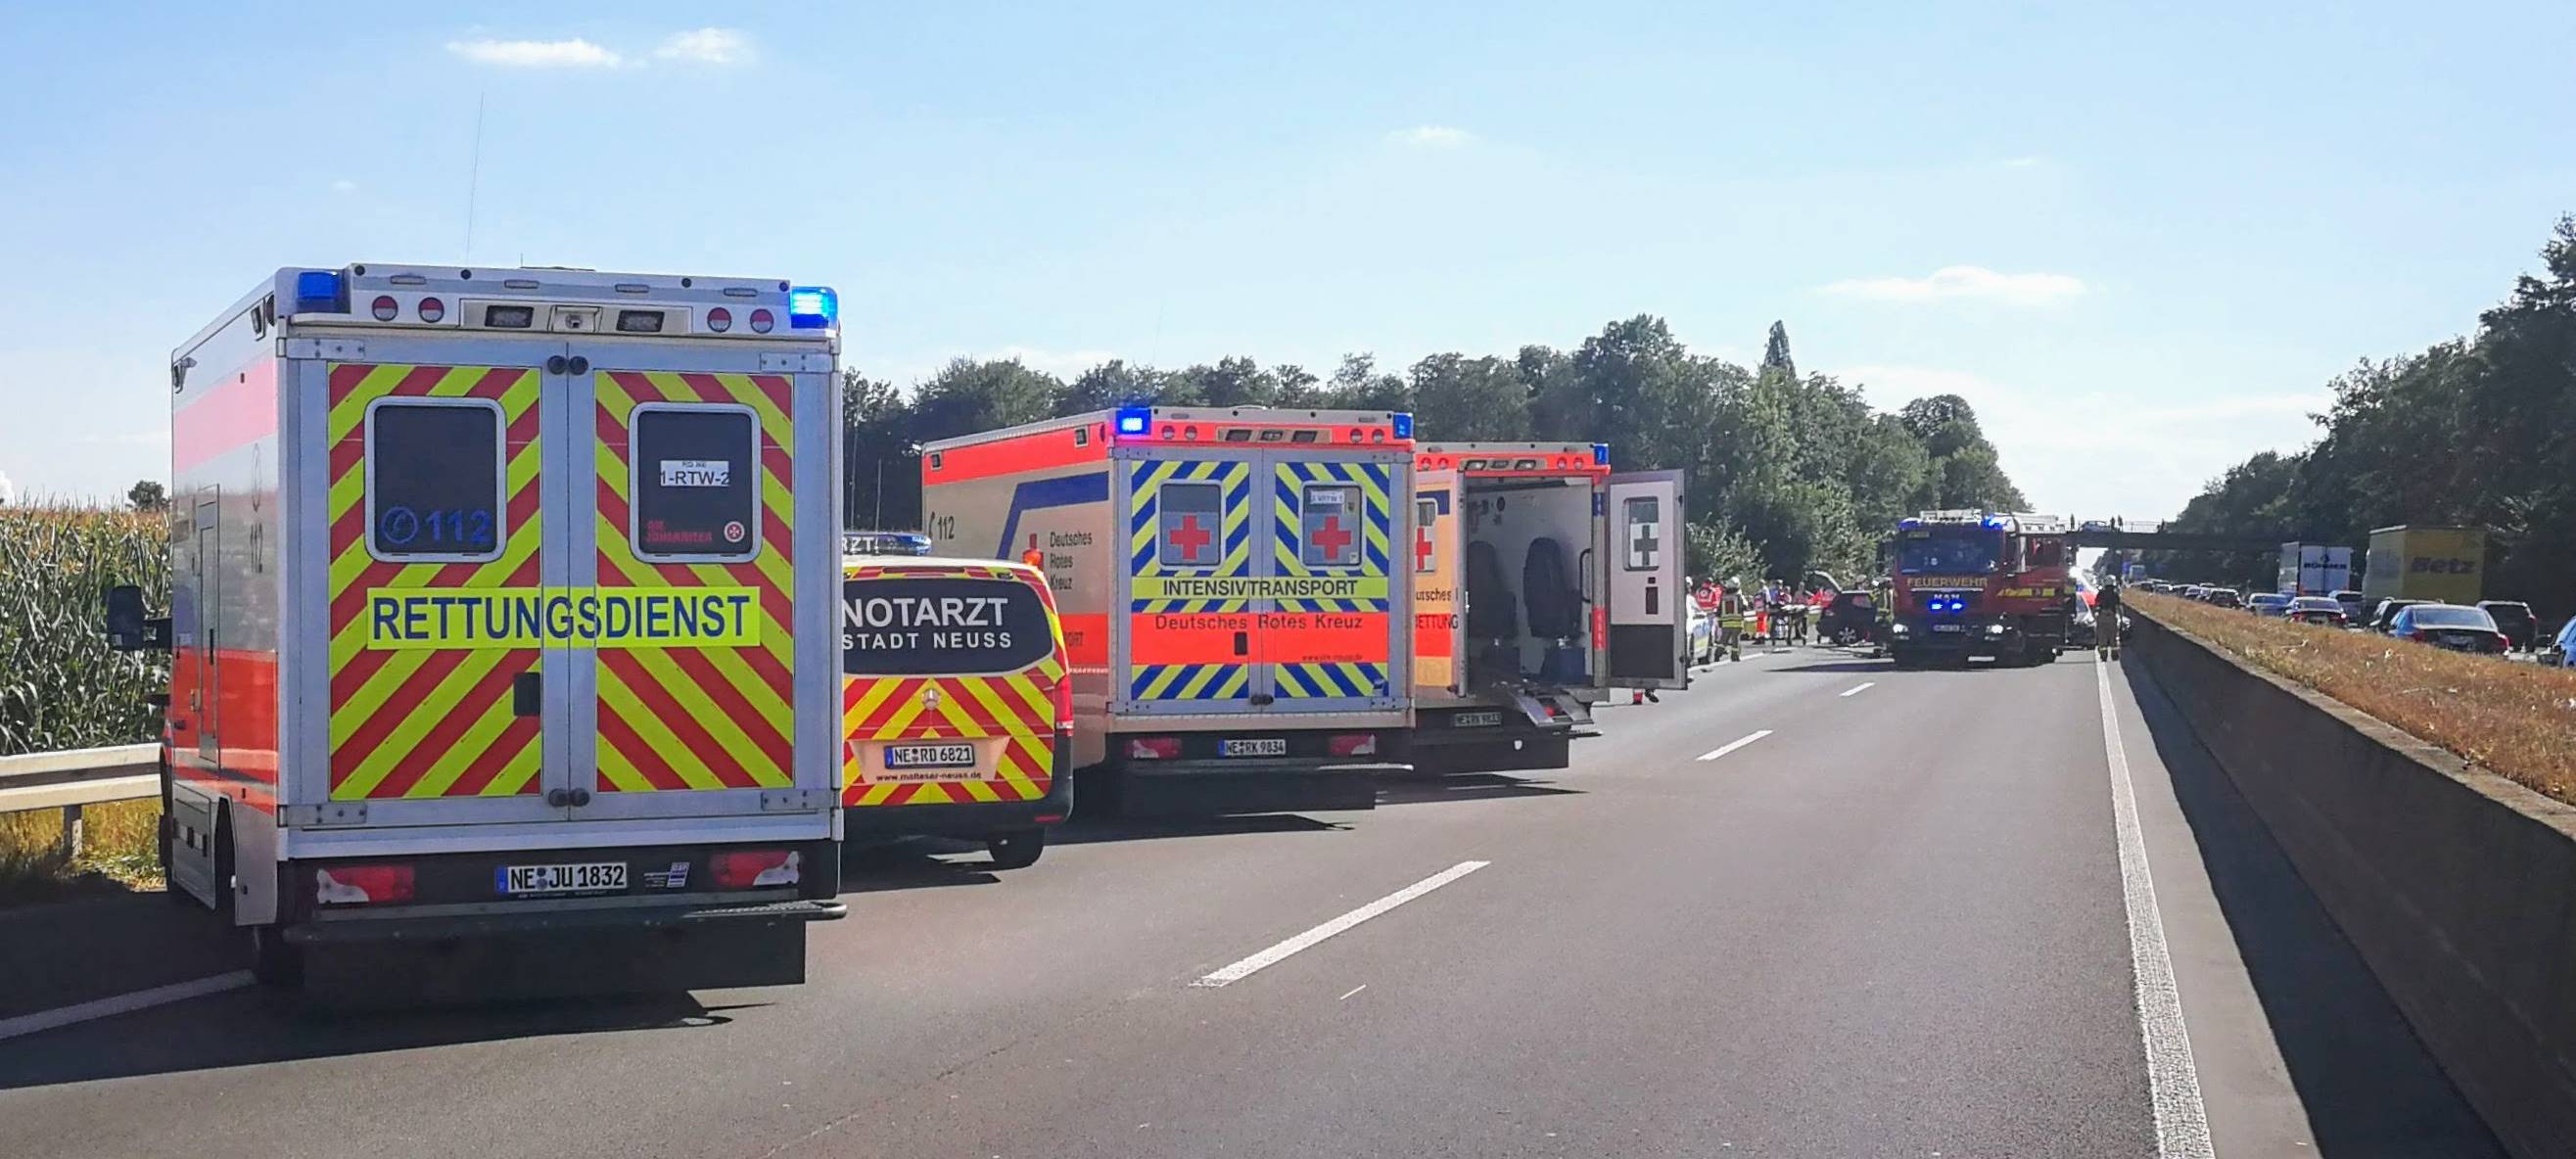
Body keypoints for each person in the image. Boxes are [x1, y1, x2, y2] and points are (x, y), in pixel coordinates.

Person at [2095, 578, 2123, 660]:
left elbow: (2096, 605)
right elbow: (2118, 607)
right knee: (2113, 636)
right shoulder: (2115, 595)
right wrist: (2121, 618)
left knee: (2102, 636)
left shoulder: (2101, 594)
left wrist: (2095, 616)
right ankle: (2114, 654)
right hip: (2112, 616)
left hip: (2102, 616)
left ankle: (2103, 655)